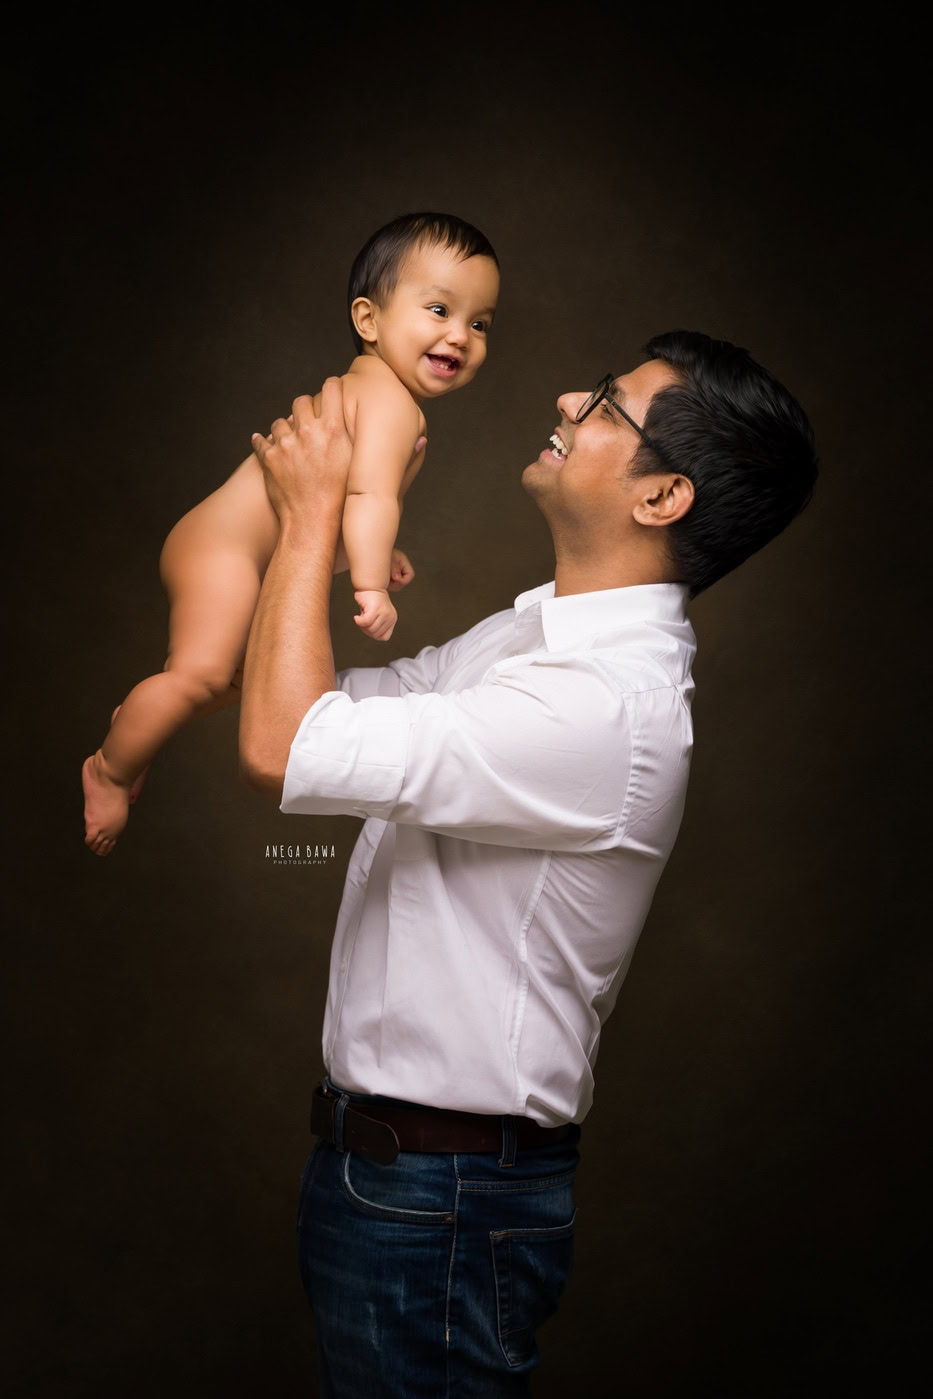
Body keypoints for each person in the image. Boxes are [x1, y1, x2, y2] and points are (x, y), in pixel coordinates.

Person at [239, 331, 819, 1397]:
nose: (567, 396)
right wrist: (312, 522)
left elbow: (284, 744)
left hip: (444, 1198)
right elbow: (318, 704)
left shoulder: (601, 706)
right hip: (392, 1180)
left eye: (609, 403)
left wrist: (318, 510)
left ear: (663, 498)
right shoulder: (536, 643)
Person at [81, 212, 499, 856]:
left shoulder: (379, 390)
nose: (460, 336)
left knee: (242, 680)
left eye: (479, 323)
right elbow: (368, 496)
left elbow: (342, 502)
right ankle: (109, 768)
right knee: (200, 677)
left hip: (232, 547)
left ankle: (143, 719)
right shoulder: (389, 402)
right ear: (368, 320)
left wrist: (377, 551)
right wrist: (368, 582)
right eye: (439, 309)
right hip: (222, 549)